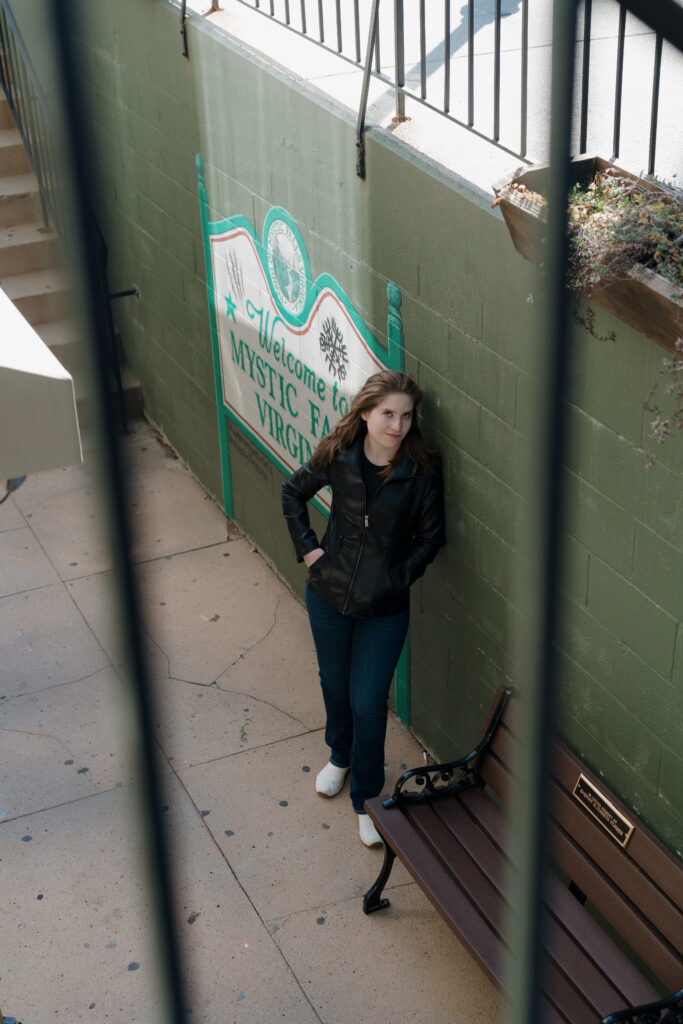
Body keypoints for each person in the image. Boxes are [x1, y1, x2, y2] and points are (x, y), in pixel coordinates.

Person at [281, 369, 445, 847]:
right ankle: (340, 754)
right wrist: (311, 550)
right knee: (333, 682)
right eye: (388, 414)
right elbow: (293, 492)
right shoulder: (339, 455)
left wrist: (395, 578)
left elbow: (433, 538)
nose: (397, 425)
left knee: (369, 702)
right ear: (367, 412)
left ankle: (368, 800)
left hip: (385, 608)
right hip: (328, 597)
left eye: (406, 416)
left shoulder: (422, 471)